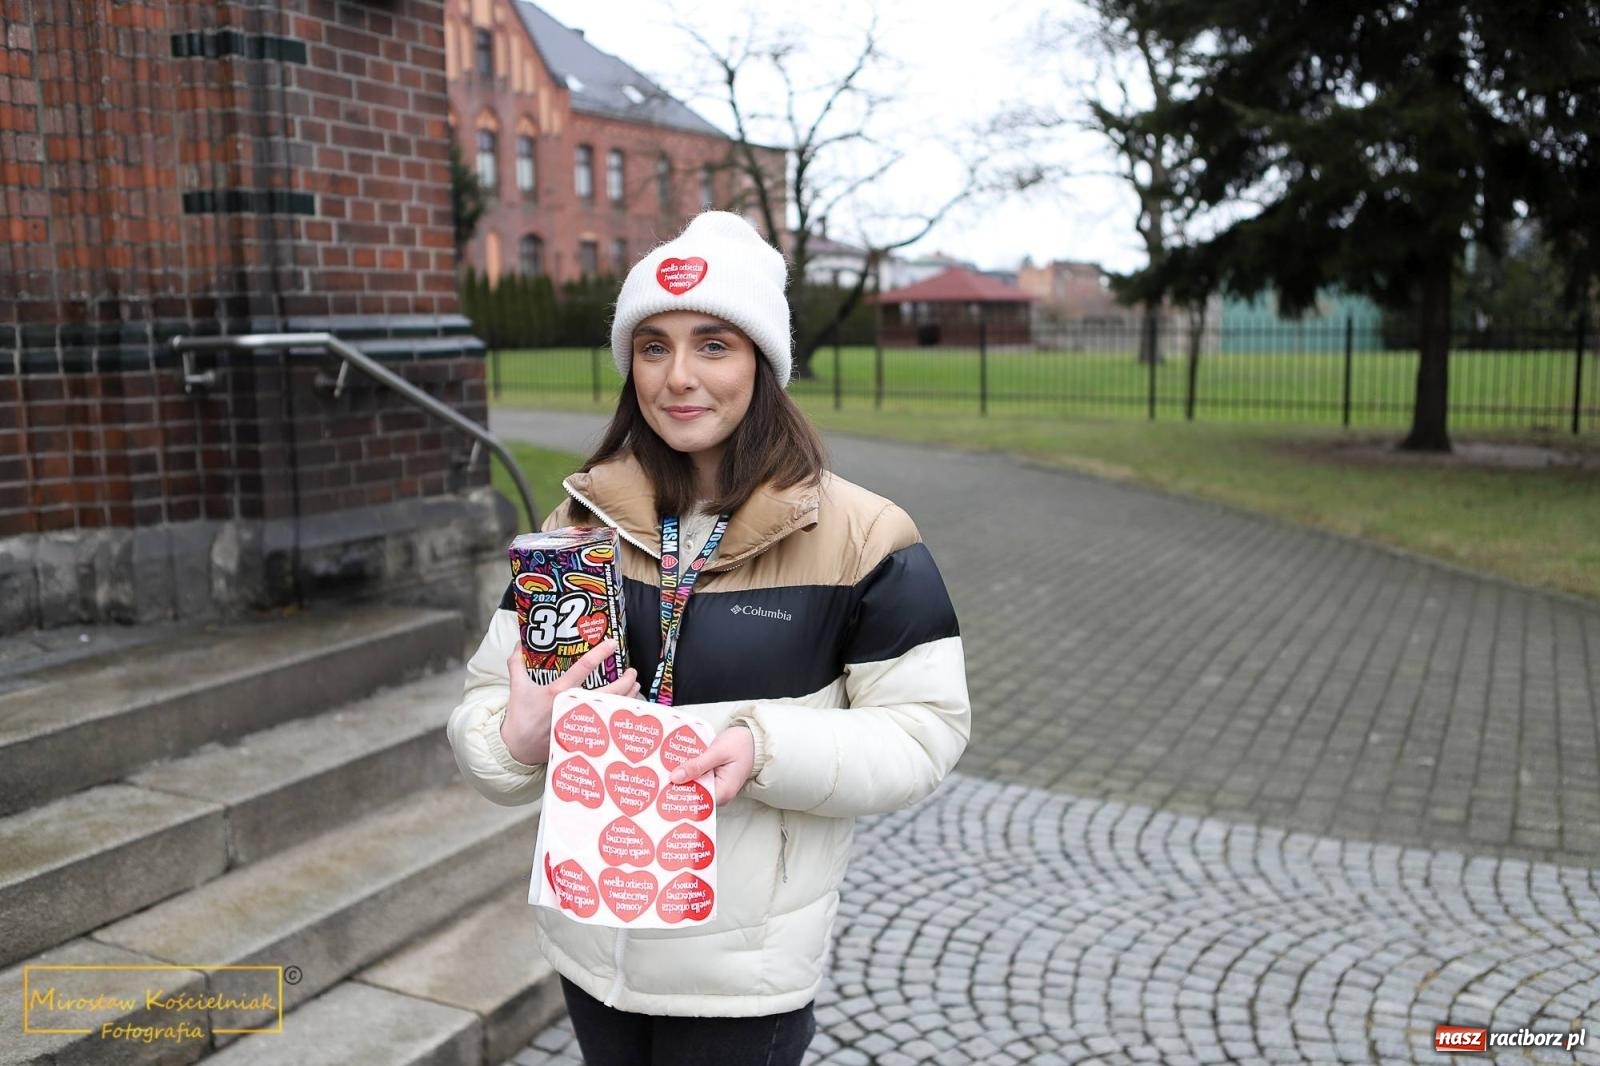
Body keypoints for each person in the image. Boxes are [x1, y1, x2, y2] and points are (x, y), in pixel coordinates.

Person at [445, 211, 970, 1066]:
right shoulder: (577, 529)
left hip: (739, 974)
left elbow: (926, 732)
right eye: (653, 347)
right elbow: (484, 709)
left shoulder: (867, 536)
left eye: (713, 344)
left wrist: (760, 749)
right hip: (591, 942)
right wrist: (516, 735)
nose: (678, 377)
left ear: (763, 363)